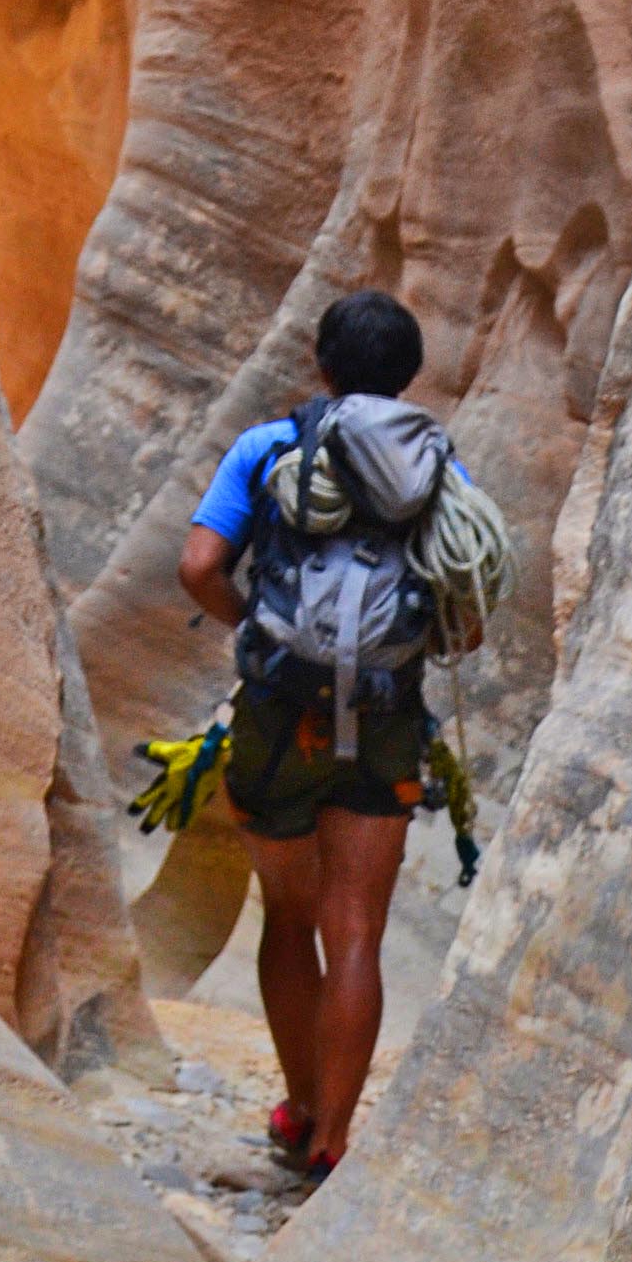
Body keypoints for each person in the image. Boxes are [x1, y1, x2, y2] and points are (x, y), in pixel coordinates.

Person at [177, 288, 482, 1176]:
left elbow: (198, 564)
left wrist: (256, 629)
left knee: (289, 916)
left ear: (322, 365)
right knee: (356, 933)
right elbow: (467, 620)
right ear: (409, 377)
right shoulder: (436, 471)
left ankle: (298, 1102)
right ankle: (334, 1138)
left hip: (278, 715)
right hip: (384, 722)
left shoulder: (268, 446)